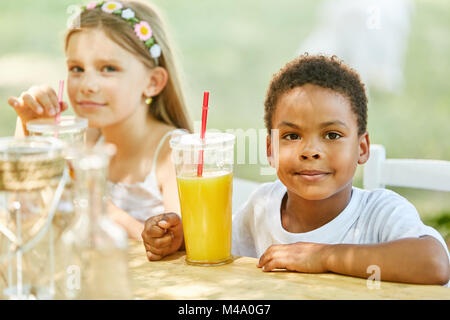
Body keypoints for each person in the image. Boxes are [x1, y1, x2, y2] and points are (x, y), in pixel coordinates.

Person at [143, 54, 450, 286]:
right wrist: (181, 238)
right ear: (269, 150)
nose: (310, 150)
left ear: (362, 148)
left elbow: (434, 264)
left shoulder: (380, 212)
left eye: (332, 135)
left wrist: (325, 256)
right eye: (291, 136)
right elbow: (221, 251)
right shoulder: (263, 207)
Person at [7, 0, 192, 241]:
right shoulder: (83, 142)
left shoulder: (174, 153)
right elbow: (19, 218)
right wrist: (32, 133)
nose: (87, 85)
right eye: (77, 68)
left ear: (153, 82)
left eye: (108, 68)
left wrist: (101, 209)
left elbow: (177, 246)